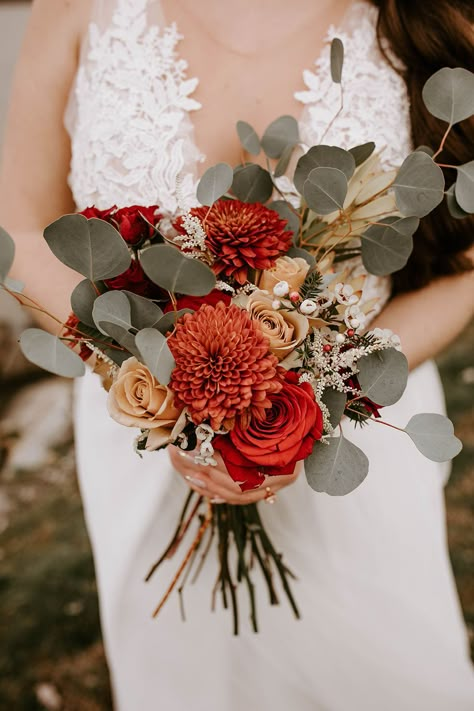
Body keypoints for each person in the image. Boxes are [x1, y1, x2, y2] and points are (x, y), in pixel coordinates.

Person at [1, 0, 473, 708]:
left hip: (358, 445)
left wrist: (311, 394)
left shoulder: (429, 11)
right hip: (147, 450)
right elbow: (20, 227)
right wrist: (154, 379)